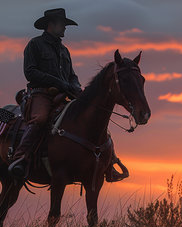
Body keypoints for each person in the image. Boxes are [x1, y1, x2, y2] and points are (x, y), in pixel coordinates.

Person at [8, 8, 128, 182]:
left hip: (64, 94)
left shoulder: (64, 51)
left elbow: (71, 75)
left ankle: (109, 163)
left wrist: (76, 87)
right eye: (62, 24)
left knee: (92, 118)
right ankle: (20, 158)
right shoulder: (34, 45)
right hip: (41, 94)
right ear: (51, 24)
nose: (64, 28)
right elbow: (30, 72)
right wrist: (58, 82)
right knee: (40, 119)